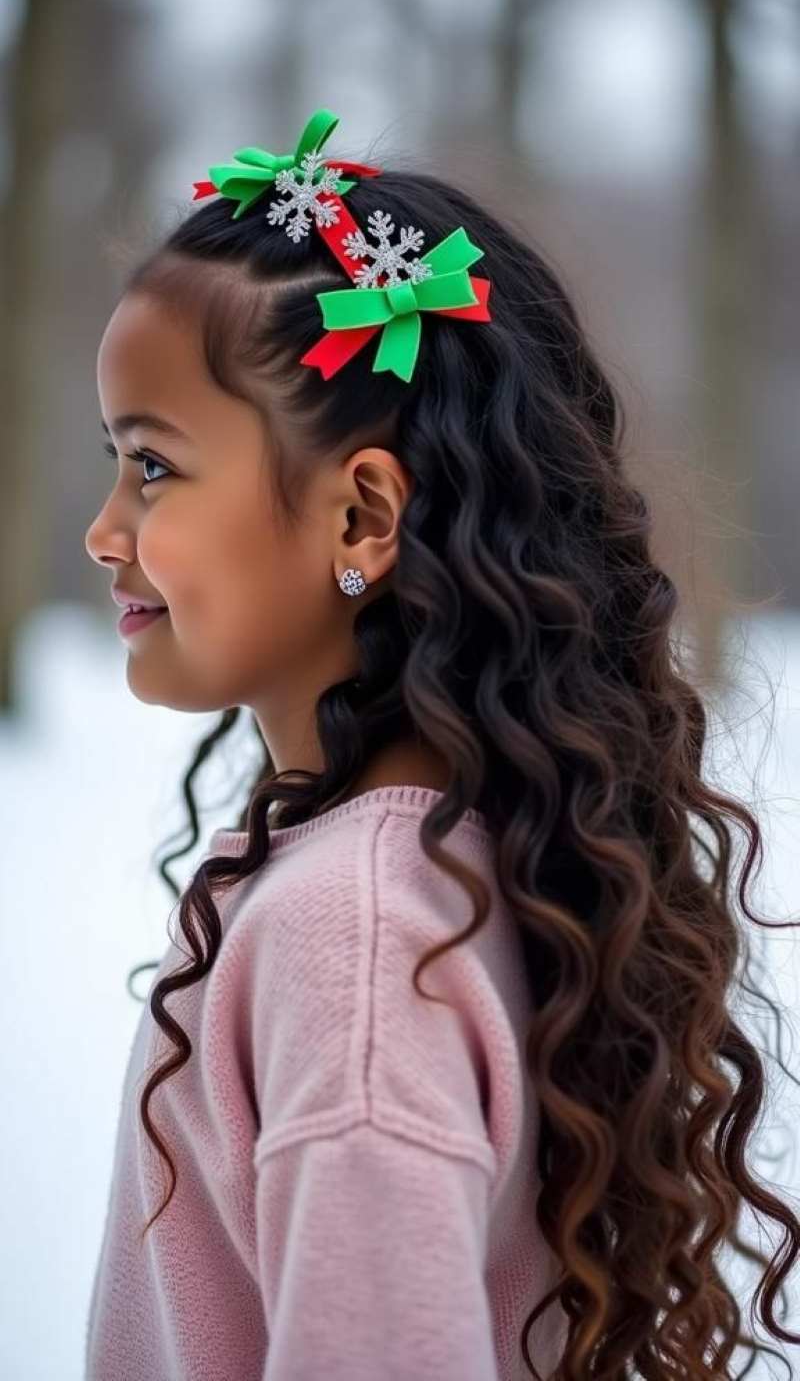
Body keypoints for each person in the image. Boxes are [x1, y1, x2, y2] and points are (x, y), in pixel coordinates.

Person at [83, 109, 800, 1381]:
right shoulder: (433, 868)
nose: (103, 528)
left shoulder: (352, 942)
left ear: (361, 512)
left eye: (153, 466)